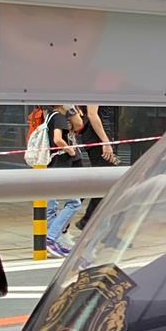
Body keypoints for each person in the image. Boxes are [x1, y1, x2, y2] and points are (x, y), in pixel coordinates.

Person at [45, 104, 83, 258]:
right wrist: (70, 149)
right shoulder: (60, 116)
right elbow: (57, 139)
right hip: (61, 165)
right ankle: (51, 238)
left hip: (51, 164)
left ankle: (52, 242)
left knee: (51, 206)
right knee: (74, 202)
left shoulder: (50, 116)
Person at [73, 103, 117, 232]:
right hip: (98, 141)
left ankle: (89, 221)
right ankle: (86, 220)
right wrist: (105, 142)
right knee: (106, 182)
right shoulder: (96, 92)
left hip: (101, 139)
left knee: (105, 183)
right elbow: (92, 114)